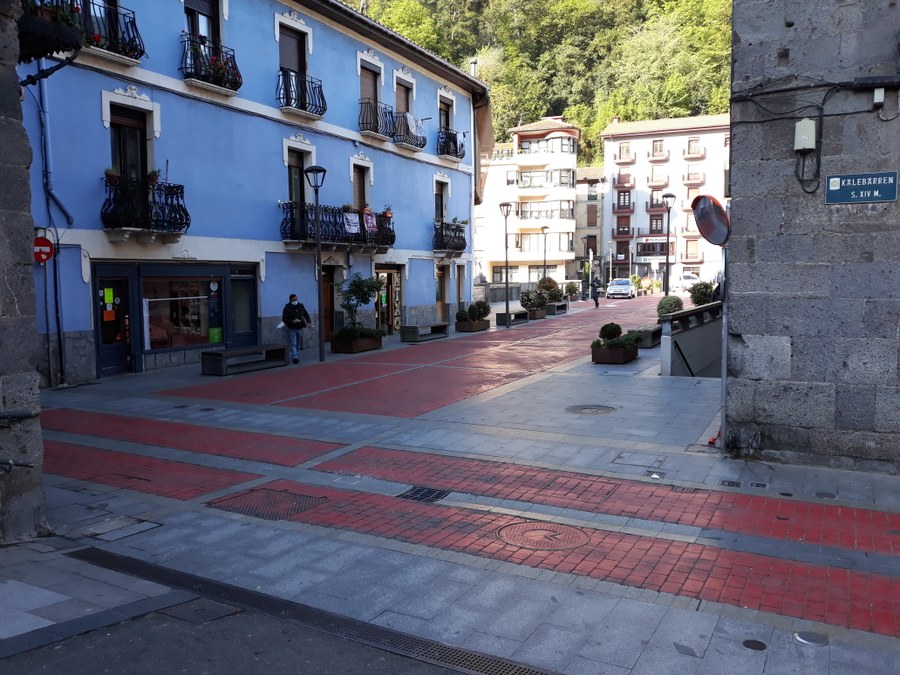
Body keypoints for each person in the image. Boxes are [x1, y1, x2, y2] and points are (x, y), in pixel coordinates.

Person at [282, 293, 311, 364]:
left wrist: (309, 321)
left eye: (296, 299)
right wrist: (292, 321)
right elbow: (284, 319)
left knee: (297, 343)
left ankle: (295, 355)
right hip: (292, 328)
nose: (295, 301)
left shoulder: (300, 306)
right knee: (293, 343)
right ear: (290, 300)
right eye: (293, 300)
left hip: (300, 327)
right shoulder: (287, 308)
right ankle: (295, 357)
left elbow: (305, 314)